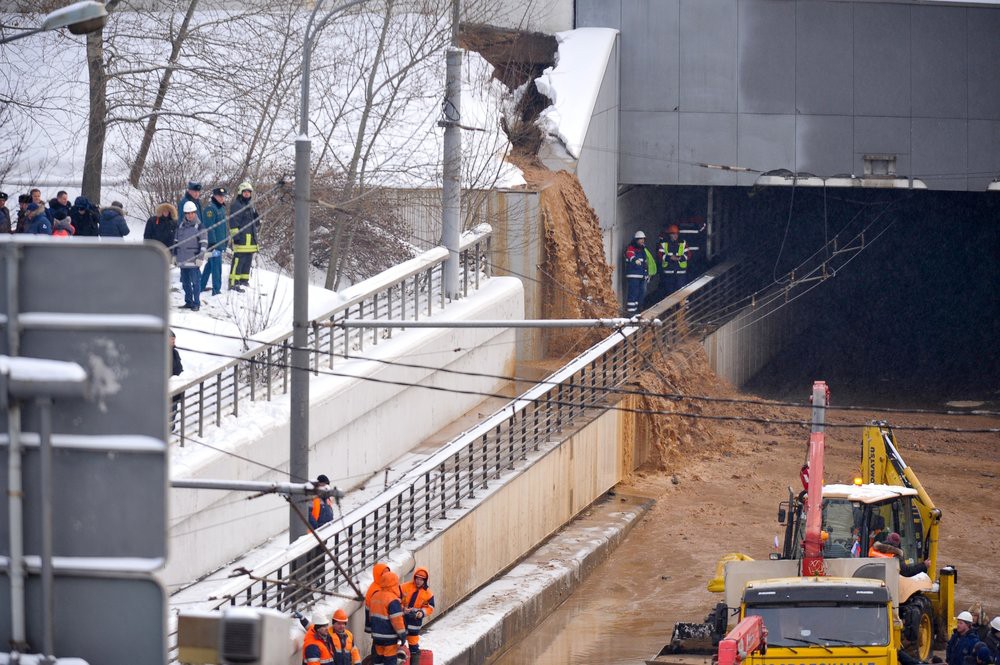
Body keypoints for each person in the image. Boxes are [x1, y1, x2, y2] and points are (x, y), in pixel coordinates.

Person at [174, 201, 207, 311]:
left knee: (196, 283)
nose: (190, 215)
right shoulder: (180, 226)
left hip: (194, 261)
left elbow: (204, 243)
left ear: (195, 213)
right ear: (185, 214)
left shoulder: (200, 226)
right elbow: (176, 242)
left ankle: (196, 303)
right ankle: (188, 302)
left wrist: (200, 258)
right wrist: (174, 256)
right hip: (182, 261)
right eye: (188, 213)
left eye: (192, 213)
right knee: (185, 283)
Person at [369, 570, 407, 665]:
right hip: (389, 637)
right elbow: (397, 621)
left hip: (377, 636)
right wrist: (402, 635)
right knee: (389, 660)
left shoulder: (375, 596)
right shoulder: (392, 600)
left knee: (379, 660)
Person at [228, 181, 259, 292]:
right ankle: (233, 283)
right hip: (241, 240)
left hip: (250, 241)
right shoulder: (237, 205)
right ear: (241, 192)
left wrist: (257, 217)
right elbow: (233, 222)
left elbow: (255, 224)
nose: (247, 194)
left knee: (247, 261)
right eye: (245, 192)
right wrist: (236, 238)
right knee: (238, 262)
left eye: (249, 192)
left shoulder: (250, 205)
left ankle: (243, 281)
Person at [400, 567, 435, 663]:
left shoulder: (428, 594)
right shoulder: (404, 587)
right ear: (414, 578)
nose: (418, 581)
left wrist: (422, 613)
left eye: (421, 579)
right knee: (394, 644)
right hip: (400, 621)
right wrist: (402, 608)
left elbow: (430, 607)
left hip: (414, 623)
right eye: (417, 578)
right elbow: (396, 599)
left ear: (425, 580)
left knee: (413, 646)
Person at [200, 187, 228, 296]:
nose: (222, 198)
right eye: (220, 196)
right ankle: (216, 290)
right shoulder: (210, 209)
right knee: (217, 267)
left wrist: (225, 241)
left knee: (210, 266)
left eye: (223, 196)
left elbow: (223, 227)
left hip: (220, 243)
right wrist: (212, 244)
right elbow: (209, 227)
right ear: (214, 196)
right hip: (214, 244)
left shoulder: (221, 208)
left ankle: (201, 286)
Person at [623, 230, 655, 316]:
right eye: (640, 239)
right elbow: (629, 254)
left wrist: (647, 274)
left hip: (642, 276)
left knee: (642, 293)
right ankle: (631, 313)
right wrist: (634, 259)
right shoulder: (631, 248)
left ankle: (638, 310)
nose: (642, 241)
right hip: (633, 275)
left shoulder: (644, 249)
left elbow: (646, 262)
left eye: (643, 239)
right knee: (633, 294)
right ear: (636, 240)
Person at [658, 224, 690, 294]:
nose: (675, 236)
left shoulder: (683, 243)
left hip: (680, 272)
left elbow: (688, 254)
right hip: (669, 272)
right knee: (670, 293)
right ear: (669, 234)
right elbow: (660, 255)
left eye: (677, 234)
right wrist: (670, 258)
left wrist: (680, 258)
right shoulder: (664, 243)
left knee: (682, 292)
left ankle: (683, 305)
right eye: (673, 234)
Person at [365, 562, 390, 645]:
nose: (387, 576)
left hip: (378, 622)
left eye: (388, 573)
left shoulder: (379, 586)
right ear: (378, 575)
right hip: (378, 623)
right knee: (378, 646)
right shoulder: (376, 590)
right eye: (384, 574)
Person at [170, 329, 184, 432]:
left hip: (175, 390)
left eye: (174, 340)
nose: (174, 342)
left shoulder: (174, 353)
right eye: (171, 340)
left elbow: (179, 368)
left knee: (172, 413)